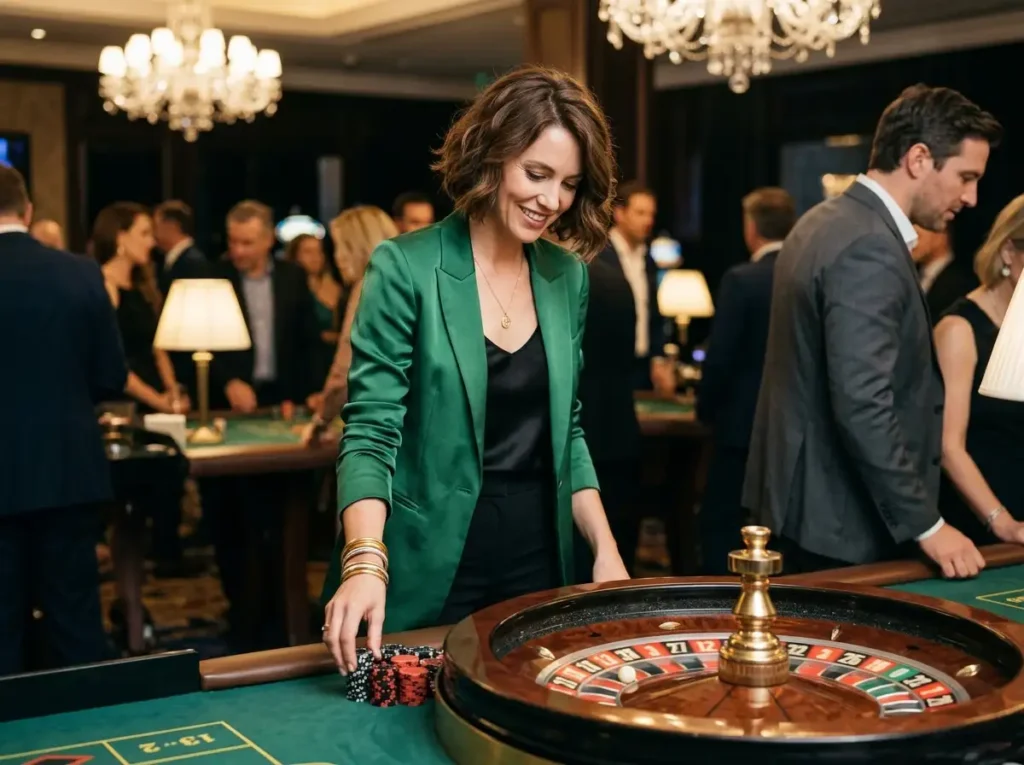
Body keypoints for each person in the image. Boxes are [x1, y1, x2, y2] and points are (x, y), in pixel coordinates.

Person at [322, 65, 629, 673]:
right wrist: (364, 560)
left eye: (568, 183)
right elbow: (370, 431)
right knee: (394, 720)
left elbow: (566, 432)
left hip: (540, 552)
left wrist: (608, 552)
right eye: (536, 174)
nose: (552, 200)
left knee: (529, 716)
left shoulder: (567, 276)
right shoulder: (404, 266)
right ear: (490, 157)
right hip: (424, 555)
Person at [742, 84, 1003, 579]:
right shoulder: (869, 245)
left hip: (802, 509)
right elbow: (863, 401)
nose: (970, 198)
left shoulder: (823, 219)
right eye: (965, 177)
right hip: (840, 524)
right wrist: (928, 524)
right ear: (919, 159)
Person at [0, 165, 127, 674]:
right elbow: (110, 378)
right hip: (68, 471)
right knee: (76, 624)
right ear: (27, 211)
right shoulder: (79, 272)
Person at [697, 187, 796, 574]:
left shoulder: (742, 279)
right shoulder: (806, 273)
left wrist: (706, 412)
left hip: (739, 430)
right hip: (790, 433)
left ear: (751, 227)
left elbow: (720, 359)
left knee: (722, 529)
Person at [935, 194, 1024, 545]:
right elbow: (947, 446)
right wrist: (1002, 523)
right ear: (1008, 252)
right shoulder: (959, 329)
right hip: (981, 527)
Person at [303, 206, 399, 442]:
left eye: (341, 247)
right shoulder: (413, 281)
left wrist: (320, 421)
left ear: (359, 246)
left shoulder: (370, 284)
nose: (337, 257)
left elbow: (347, 369)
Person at [92, 203, 189, 414]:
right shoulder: (103, 286)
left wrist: (172, 391)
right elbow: (111, 361)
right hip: (123, 405)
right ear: (121, 237)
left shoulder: (144, 287)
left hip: (155, 401)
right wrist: (158, 401)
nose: (152, 242)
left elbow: (157, 348)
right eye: (144, 234)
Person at [596, 182, 674, 393]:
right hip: (606, 364)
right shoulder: (598, 255)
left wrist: (658, 357)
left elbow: (653, 312)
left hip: (642, 365)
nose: (648, 221)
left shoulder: (648, 258)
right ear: (620, 213)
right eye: (640, 213)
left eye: (651, 214)